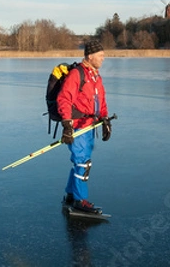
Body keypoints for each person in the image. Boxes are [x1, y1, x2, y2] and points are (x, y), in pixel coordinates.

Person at [57, 39, 112, 213]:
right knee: (83, 163)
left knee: (81, 161)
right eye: (100, 55)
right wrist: (67, 125)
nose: (103, 59)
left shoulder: (95, 76)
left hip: (90, 127)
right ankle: (80, 201)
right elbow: (64, 99)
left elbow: (100, 100)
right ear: (90, 56)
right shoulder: (77, 74)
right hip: (77, 126)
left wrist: (105, 120)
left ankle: (71, 195)